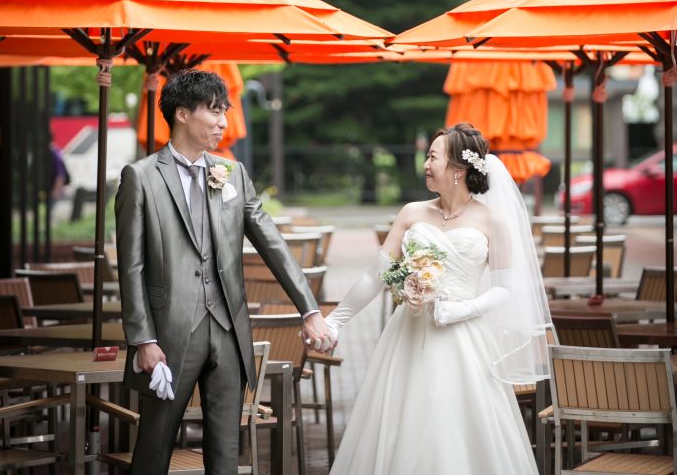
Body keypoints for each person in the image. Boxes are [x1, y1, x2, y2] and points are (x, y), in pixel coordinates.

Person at [115, 68, 334, 475]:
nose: (223, 123)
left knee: (226, 452)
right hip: (168, 336)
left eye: (225, 112)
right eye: (214, 112)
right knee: (154, 447)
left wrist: (310, 309)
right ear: (182, 114)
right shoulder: (141, 178)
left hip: (230, 332)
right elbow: (130, 266)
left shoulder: (231, 174)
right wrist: (143, 338)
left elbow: (271, 243)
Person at [326, 122, 552, 475]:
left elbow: (506, 288)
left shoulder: (493, 221)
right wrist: (334, 321)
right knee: (404, 422)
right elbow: (377, 275)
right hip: (408, 335)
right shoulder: (411, 213)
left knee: (455, 425)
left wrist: (460, 309)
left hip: (464, 339)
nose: (425, 164)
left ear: (459, 169)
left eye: (432, 157)